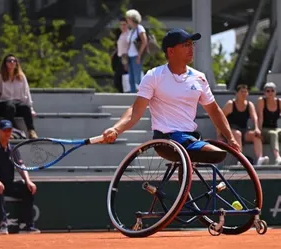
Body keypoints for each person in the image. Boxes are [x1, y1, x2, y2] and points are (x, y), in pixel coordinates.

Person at [101, 29, 240, 155]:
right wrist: (116, 129)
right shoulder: (154, 75)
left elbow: (214, 111)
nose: (191, 48)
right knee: (216, 153)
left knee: (201, 157)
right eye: (185, 45)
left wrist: (231, 138)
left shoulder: (199, 78)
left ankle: (189, 182)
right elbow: (135, 110)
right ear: (171, 51)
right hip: (166, 139)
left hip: (190, 137)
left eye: (192, 44)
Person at [0, 120, 40, 235]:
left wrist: (28, 181)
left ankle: (27, 225)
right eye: (4, 130)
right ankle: (3, 225)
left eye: (9, 130)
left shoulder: (13, 149)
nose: (7, 133)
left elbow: (21, 167)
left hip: (8, 184)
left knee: (27, 189)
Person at [219, 84, 269, 166]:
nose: (244, 94)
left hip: (243, 130)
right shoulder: (231, 104)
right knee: (238, 134)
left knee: (256, 135)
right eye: (241, 92)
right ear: (237, 93)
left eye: (245, 92)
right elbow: (220, 119)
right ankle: (241, 160)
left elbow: (255, 117)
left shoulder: (249, 105)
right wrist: (219, 135)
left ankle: (260, 158)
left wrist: (257, 128)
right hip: (230, 131)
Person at [0, 54, 38, 139]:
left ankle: (31, 131)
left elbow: (26, 92)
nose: (12, 62)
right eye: (9, 61)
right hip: (3, 103)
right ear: (5, 63)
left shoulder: (21, 76)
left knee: (25, 107)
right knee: (10, 106)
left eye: (14, 61)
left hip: (17, 103)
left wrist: (31, 109)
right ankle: (10, 130)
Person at [125, 9, 148, 93]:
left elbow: (144, 41)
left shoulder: (140, 28)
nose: (127, 20)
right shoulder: (131, 31)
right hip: (130, 56)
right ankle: (132, 95)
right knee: (131, 78)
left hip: (136, 56)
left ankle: (144, 94)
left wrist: (139, 55)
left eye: (128, 18)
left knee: (137, 77)